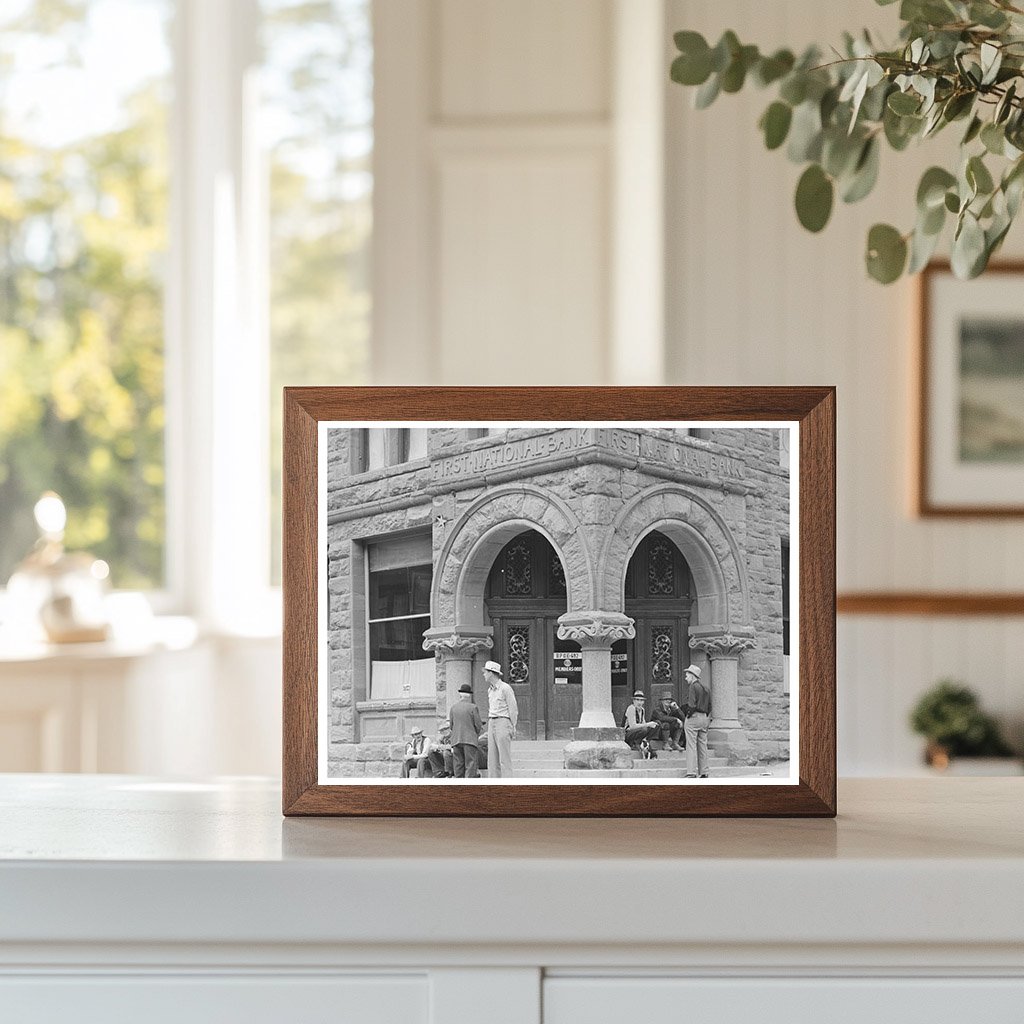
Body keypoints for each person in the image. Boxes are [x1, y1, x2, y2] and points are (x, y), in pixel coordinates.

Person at [484, 660, 518, 778]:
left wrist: (513, 725)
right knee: (492, 758)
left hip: (503, 721)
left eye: (485, 672)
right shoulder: (490, 690)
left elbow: (513, 708)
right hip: (492, 721)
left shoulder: (505, 688)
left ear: (491, 673)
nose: (484, 674)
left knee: (504, 757)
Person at [449, 682, 484, 778]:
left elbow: (451, 725)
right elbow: (478, 725)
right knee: (470, 764)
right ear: (469, 695)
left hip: (456, 739)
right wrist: (475, 734)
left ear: (460, 694)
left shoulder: (453, 708)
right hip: (470, 739)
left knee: (458, 764)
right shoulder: (473, 707)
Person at [683, 664, 712, 778]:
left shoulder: (693, 687)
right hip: (704, 717)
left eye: (687, 675)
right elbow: (710, 706)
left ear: (692, 676)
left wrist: (688, 715)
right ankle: (704, 772)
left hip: (694, 717)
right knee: (702, 745)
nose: (686, 678)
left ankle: (691, 772)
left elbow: (691, 704)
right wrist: (706, 717)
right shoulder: (706, 688)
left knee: (690, 745)